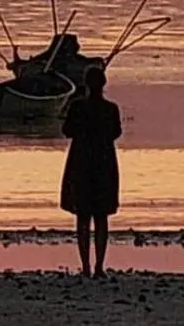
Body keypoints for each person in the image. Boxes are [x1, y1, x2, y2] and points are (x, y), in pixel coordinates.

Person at [60, 64, 122, 277]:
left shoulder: (78, 107)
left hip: (81, 163)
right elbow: (116, 132)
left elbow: (66, 130)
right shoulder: (111, 109)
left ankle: (86, 266)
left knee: (83, 216)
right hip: (104, 163)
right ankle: (98, 267)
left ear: (85, 83)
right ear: (104, 84)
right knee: (102, 216)